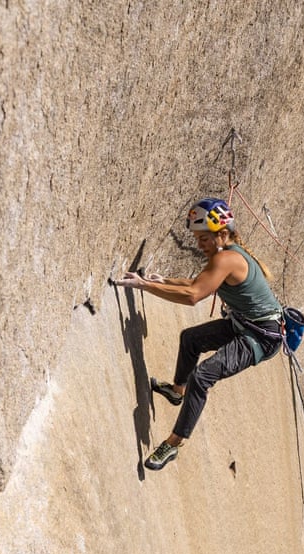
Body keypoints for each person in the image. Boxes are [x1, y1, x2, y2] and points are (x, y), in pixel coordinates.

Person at [113, 198, 284, 470]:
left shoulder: (227, 258)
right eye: (197, 238)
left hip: (261, 337)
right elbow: (198, 284)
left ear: (222, 234)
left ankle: (173, 444)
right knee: (190, 339)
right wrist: (164, 281)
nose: (199, 244)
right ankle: (177, 392)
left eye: (203, 238)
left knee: (202, 377)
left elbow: (193, 296)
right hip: (246, 324)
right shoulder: (226, 254)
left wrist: (145, 286)